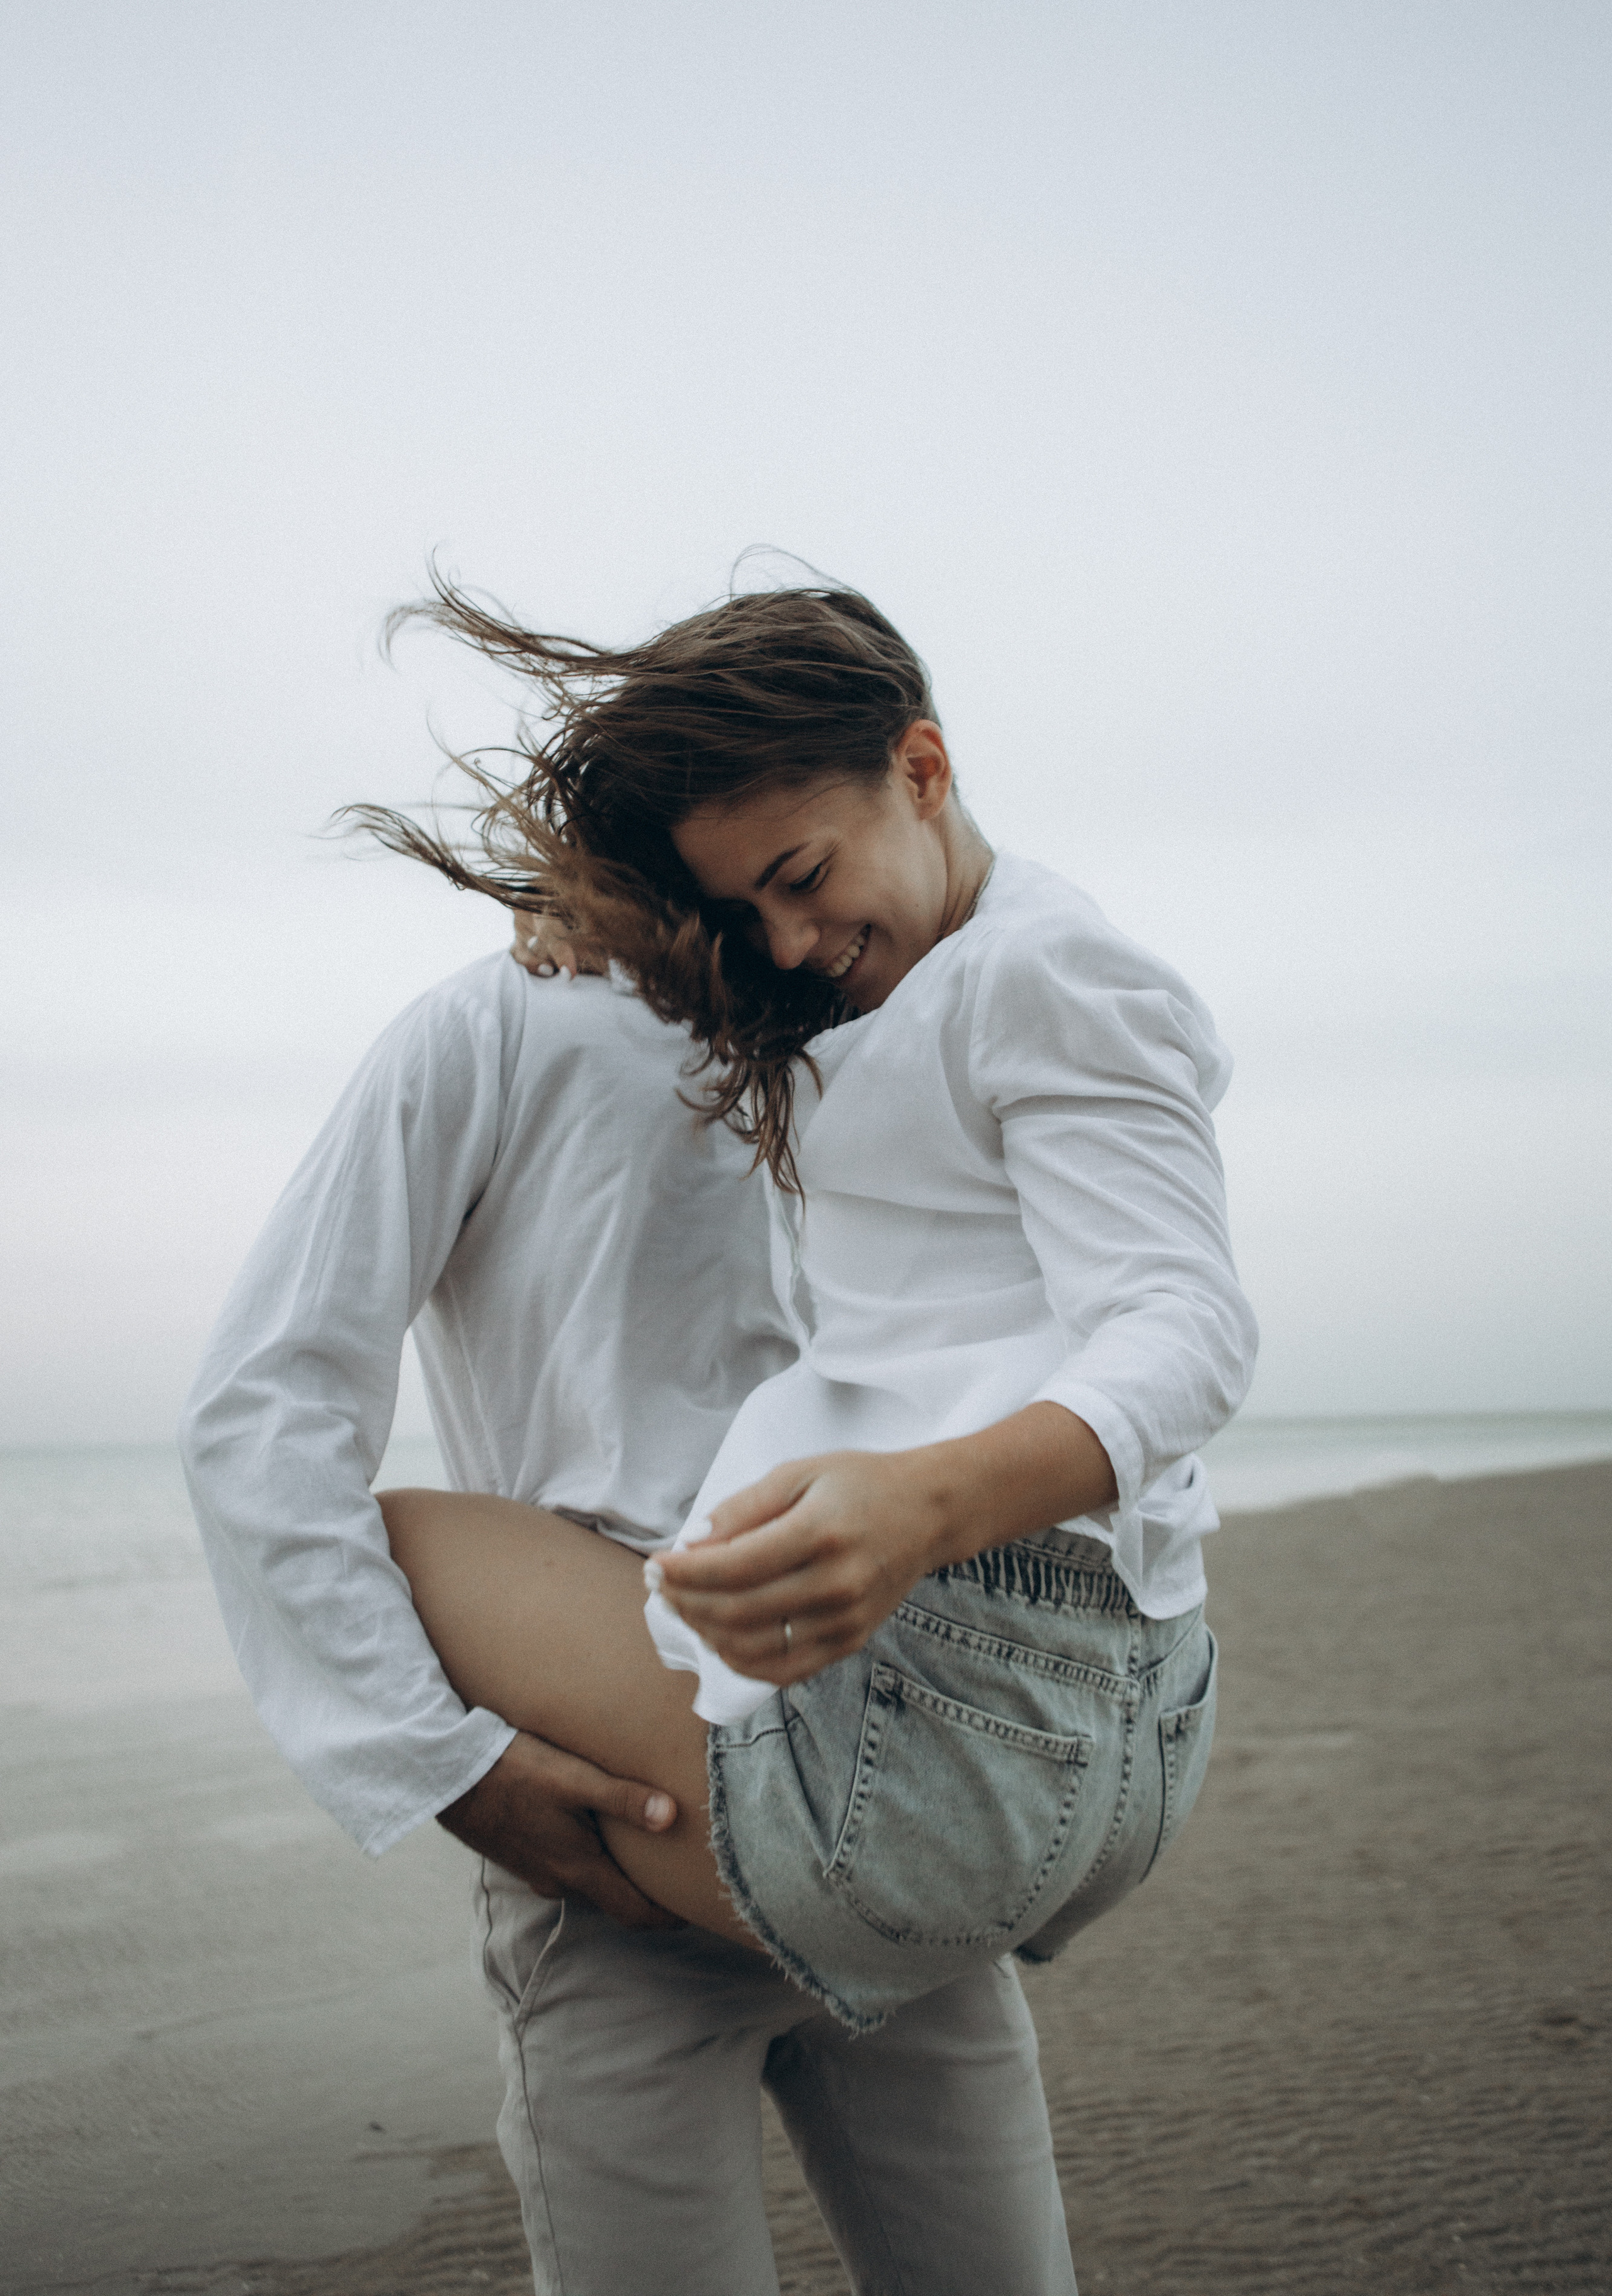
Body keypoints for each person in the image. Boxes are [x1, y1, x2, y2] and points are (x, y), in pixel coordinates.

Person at [360, 572, 1258, 2039]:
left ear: (922, 768)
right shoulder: (910, 985)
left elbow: (1190, 1328)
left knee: (399, 1534)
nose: (783, 943)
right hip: (1101, 1740)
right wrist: (609, 924)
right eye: (737, 910)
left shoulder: (1050, 971)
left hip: (977, 1731)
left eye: (799, 875)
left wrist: (920, 1507)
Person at [179, 930, 1079, 2294]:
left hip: (883, 1805)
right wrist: (442, 1762)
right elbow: (260, 1407)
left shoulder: (865, 1023)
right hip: (623, 1866)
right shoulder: (484, 1030)